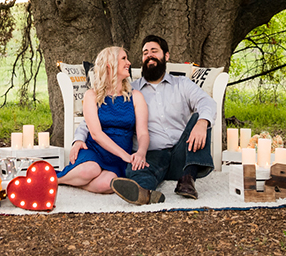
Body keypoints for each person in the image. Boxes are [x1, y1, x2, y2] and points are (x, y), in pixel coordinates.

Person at [69, 34, 216, 205]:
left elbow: (207, 103)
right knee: (135, 168)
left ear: (166, 56)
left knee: (202, 116)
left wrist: (202, 123)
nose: (149, 55)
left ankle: (187, 178)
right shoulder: (131, 91)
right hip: (152, 155)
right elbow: (93, 119)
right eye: (145, 53)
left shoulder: (181, 84)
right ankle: (142, 193)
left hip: (182, 154)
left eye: (154, 51)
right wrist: (78, 139)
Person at [55, 46, 150, 194]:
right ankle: (55, 180)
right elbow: (96, 134)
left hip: (119, 156)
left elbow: (143, 132)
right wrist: (125, 155)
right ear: (109, 65)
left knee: (108, 184)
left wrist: (141, 152)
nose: (129, 63)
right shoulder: (91, 96)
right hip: (96, 150)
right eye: (124, 59)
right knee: (90, 170)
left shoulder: (136, 96)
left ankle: (75, 183)